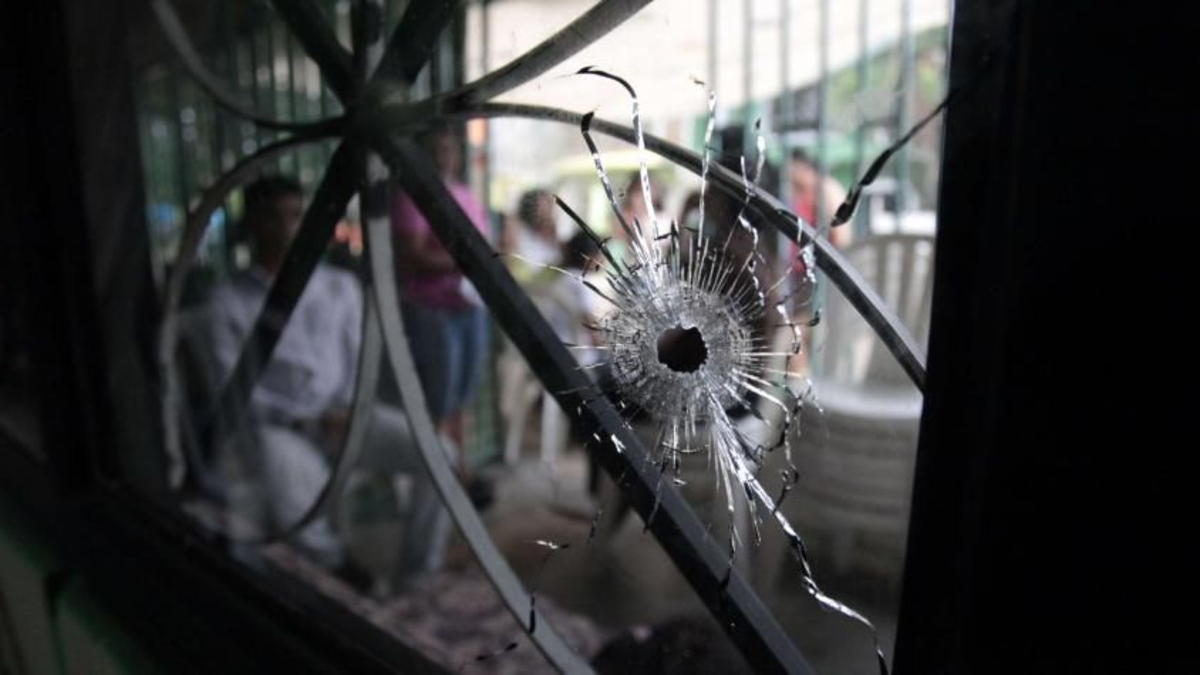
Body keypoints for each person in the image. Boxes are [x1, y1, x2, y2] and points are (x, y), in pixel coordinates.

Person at [203, 176, 450, 593]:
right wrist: (307, 422)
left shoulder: (340, 288)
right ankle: (339, 567)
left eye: (295, 215)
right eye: (273, 216)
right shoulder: (228, 301)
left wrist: (349, 409)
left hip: (347, 419)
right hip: (282, 429)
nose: (287, 227)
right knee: (285, 483)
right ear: (252, 223)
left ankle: (418, 578)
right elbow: (231, 387)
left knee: (440, 454)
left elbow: (358, 364)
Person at [391, 125, 489, 454]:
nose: (442, 157)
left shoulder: (464, 194)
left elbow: (482, 246)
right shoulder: (410, 197)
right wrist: (464, 261)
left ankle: (460, 469)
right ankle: (439, 467)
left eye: (448, 149)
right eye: (435, 150)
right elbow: (413, 255)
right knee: (439, 397)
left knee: (463, 396)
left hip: (468, 305)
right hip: (432, 309)